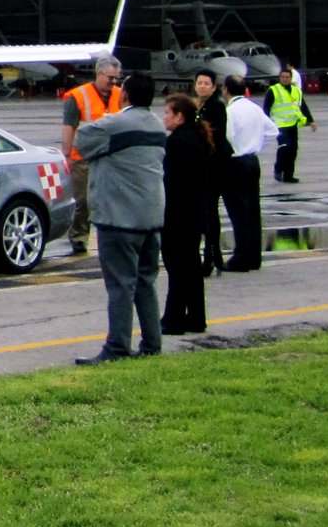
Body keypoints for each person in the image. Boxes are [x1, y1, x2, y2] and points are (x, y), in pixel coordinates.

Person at [71, 71, 165, 364]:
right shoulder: (157, 124)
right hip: (151, 215)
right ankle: (152, 343)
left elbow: (82, 141)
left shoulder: (116, 123)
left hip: (118, 216)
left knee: (120, 284)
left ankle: (117, 347)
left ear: (124, 94)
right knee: (145, 281)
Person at [60, 56, 126, 257]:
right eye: (110, 78)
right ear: (98, 73)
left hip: (112, 157)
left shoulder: (121, 95)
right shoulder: (78, 96)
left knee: (115, 198)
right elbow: (69, 127)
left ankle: (115, 236)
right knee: (83, 200)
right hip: (83, 157)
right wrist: (67, 155)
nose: (113, 83)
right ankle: (79, 237)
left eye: (117, 79)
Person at [160, 93, 212, 335]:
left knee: (177, 267)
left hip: (178, 214)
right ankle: (196, 317)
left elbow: (172, 181)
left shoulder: (177, 142)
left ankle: (174, 319)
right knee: (190, 267)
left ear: (179, 117)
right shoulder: (198, 138)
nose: (164, 118)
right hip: (195, 212)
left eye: (167, 113)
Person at [221, 77, 276, 272]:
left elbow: (226, 137)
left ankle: (241, 257)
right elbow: (273, 131)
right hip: (252, 161)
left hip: (236, 162)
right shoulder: (254, 108)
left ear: (225, 90)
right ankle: (254, 256)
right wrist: (256, 144)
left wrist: (237, 148)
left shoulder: (230, 111)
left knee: (238, 212)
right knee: (253, 210)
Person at [191, 69, 230, 272]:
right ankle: (213, 255)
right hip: (203, 166)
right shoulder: (198, 106)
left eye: (206, 83)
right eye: (199, 83)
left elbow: (214, 137)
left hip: (213, 167)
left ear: (214, 87)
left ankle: (211, 256)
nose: (202, 86)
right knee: (206, 212)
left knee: (209, 211)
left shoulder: (216, 106)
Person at [268, 65, 314, 183]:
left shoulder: (296, 91)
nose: (284, 79)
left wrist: (311, 120)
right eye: (282, 77)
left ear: (291, 78)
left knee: (293, 150)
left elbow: (302, 105)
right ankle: (278, 170)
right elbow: (266, 108)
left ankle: (288, 175)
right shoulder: (273, 90)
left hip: (293, 124)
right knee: (285, 147)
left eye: (287, 77)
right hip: (279, 124)